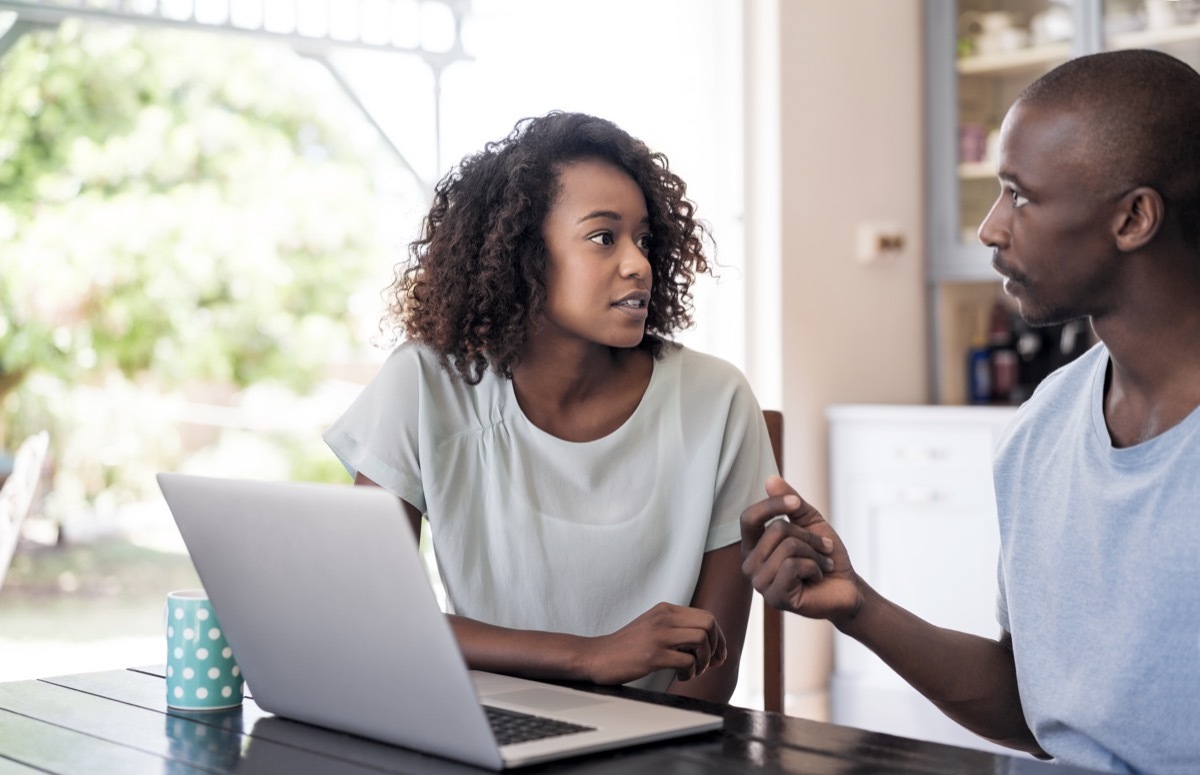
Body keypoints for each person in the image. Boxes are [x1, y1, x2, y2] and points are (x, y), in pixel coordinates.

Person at [739, 49, 1200, 775]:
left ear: (1134, 217)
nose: (990, 228)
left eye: (1020, 195)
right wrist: (858, 607)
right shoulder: (1043, 428)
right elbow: (1038, 709)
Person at [325, 111, 777, 704]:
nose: (638, 262)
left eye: (644, 238)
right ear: (523, 256)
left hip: (658, 744)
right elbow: (373, 613)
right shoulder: (427, 383)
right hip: (483, 726)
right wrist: (588, 655)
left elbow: (711, 677)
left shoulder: (717, 401)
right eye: (603, 236)